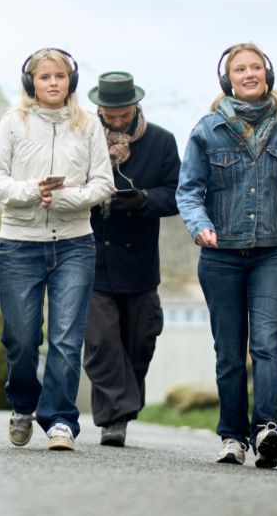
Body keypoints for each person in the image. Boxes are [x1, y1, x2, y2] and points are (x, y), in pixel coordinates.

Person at [176, 42, 277, 469]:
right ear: (227, 79)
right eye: (240, 69)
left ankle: (268, 429)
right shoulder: (207, 130)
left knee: (266, 344)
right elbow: (188, 191)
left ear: (267, 74)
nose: (250, 74)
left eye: (256, 68)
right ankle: (232, 437)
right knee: (230, 351)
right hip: (221, 254)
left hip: (273, 253)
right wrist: (200, 225)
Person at [0, 48, 114, 451]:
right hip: (19, 245)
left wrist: (66, 198)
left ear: (70, 81)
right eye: (44, 77)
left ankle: (60, 420)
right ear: (31, 83)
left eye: (59, 76)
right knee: (21, 339)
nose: (53, 83)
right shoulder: (13, 123)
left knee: (66, 338)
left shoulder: (88, 125)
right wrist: (30, 192)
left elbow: (103, 184)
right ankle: (23, 404)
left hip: (75, 244)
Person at [83, 71, 180, 448]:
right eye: (110, 115)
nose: (118, 122)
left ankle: (123, 405)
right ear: (99, 110)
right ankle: (114, 418)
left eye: (124, 114)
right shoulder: (83, 138)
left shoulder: (161, 141)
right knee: (102, 341)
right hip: (91, 256)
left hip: (139, 260)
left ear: (136, 106)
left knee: (141, 341)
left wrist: (142, 200)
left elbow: (175, 194)